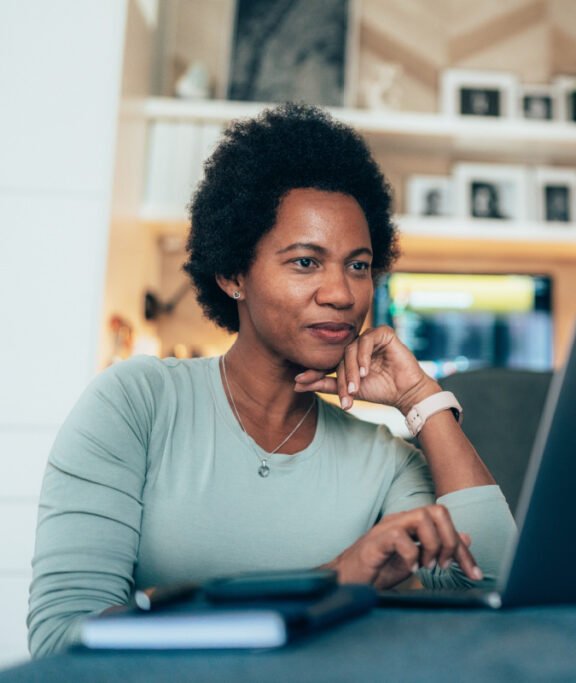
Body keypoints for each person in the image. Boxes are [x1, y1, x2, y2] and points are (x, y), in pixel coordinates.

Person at [27, 103, 516, 657]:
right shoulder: (137, 404)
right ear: (234, 272)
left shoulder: (383, 460)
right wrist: (336, 580)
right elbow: (63, 640)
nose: (342, 293)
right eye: (306, 262)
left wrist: (421, 399)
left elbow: (493, 584)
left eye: (358, 265)